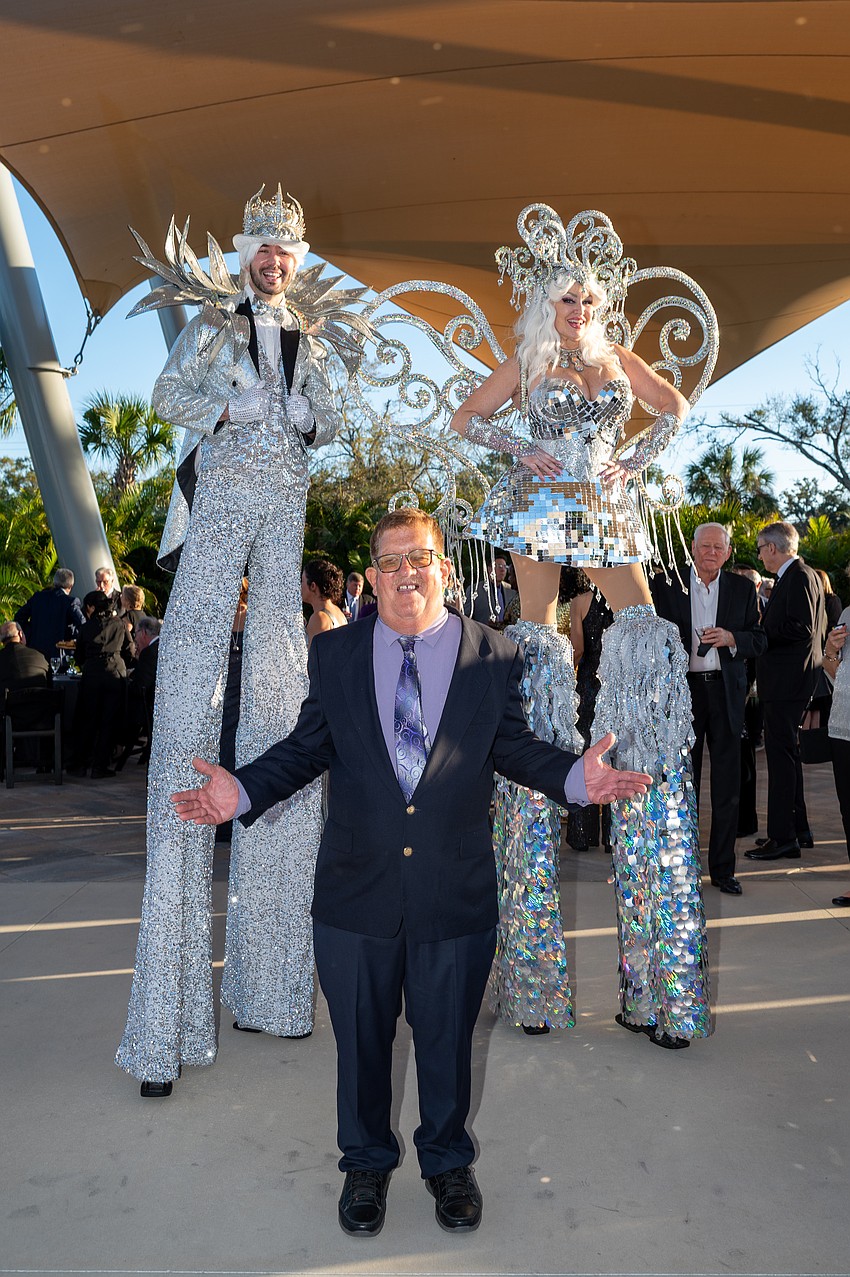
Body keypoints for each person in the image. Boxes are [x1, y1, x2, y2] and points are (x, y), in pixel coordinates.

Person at [169, 508, 651, 1237]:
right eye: (389, 563)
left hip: (453, 890)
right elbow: (307, 748)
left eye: (418, 558)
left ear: (444, 568)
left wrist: (576, 780)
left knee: (447, 1038)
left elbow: (514, 749)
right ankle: (364, 1162)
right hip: (354, 890)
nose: (405, 574)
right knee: (361, 1042)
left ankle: (447, 1160)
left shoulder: (493, 654)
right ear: (372, 576)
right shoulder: (334, 653)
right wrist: (244, 788)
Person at [450, 204, 712, 1048]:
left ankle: (657, 976)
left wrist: (632, 460)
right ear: (545, 304)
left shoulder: (617, 358)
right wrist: (515, 448)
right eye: (567, 299)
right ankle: (529, 975)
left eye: (589, 299)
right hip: (535, 513)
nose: (580, 311)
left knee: (641, 637)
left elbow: (674, 408)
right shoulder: (528, 363)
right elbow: (465, 418)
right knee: (532, 657)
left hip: (603, 513)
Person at [116, 185, 342, 1097]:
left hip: (282, 532)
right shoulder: (211, 326)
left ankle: (275, 989)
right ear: (245, 254)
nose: (274, 261)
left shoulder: (312, 339)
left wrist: (302, 418)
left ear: (298, 262)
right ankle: (166, 1024)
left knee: (284, 734)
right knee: (186, 721)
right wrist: (227, 400)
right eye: (263, 248)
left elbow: (331, 418)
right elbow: (168, 395)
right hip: (213, 535)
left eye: (287, 252)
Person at [651, 524, 766, 894]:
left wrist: (732, 638)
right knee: (682, 785)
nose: (711, 552)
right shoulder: (667, 584)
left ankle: (722, 869)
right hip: (683, 695)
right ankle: (681, 867)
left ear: (728, 553)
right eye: (705, 546)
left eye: (719, 547)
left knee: (727, 787)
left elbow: (760, 640)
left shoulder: (742, 589)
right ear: (693, 548)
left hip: (726, 695)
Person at [746, 522, 825, 862]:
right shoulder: (795, 577)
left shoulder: (800, 576)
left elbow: (801, 627)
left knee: (781, 760)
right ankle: (797, 830)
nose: (760, 554)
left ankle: (783, 838)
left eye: (761, 548)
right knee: (786, 758)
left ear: (773, 548)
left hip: (788, 683)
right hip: (788, 682)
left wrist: (762, 630)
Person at [565, 569, 613, 854]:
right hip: (615, 682)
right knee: (613, 755)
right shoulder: (623, 601)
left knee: (585, 755)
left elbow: (578, 649)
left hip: (588, 684)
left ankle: (583, 834)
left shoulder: (580, 601)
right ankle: (612, 835)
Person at [68, 592, 132, 778]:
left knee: (87, 720)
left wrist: (87, 664)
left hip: (92, 675)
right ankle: (100, 766)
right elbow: (129, 650)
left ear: (92, 607)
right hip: (114, 673)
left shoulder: (87, 628)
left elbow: (78, 655)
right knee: (108, 721)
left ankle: (80, 764)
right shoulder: (120, 625)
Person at [821, 602, 850, 906]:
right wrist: (830, 649)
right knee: (848, 808)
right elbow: (835, 672)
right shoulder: (847, 615)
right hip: (843, 724)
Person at [14, 568, 83, 661]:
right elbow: (83, 624)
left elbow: (19, 617)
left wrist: (30, 633)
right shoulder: (70, 602)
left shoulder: (38, 597)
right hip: (59, 655)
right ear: (71, 585)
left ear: (54, 582)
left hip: (35, 652)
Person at [303, 559, 348, 645]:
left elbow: (312, 657)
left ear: (313, 586)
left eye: (302, 581)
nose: (300, 586)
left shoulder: (319, 618)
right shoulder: (338, 612)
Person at [0, 620, 51, 696]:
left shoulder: (2, 657)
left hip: (11, 706)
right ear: (20, 634)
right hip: (40, 705)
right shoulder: (40, 656)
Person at [464, 554, 517, 627]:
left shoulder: (510, 590)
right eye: (499, 566)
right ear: (489, 569)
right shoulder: (475, 590)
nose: (503, 570)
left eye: (505, 567)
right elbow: (467, 616)